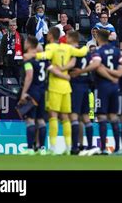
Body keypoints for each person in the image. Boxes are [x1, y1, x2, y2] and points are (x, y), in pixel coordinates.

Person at [24, 27, 88, 155]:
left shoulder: (51, 47)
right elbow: (83, 52)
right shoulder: (67, 47)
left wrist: (32, 54)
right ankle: (69, 147)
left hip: (54, 86)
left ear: (50, 36)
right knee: (65, 117)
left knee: (53, 116)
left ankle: (52, 147)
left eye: (48, 35)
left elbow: (45, 56)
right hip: (67, 86)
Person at [71, 29, 122, 155]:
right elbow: (121, 69)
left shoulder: (98, 52)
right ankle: (118, 147)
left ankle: (103, 148)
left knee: (102, 117)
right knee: (114, 117)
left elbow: (97, 65)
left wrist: (81, 71)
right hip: (115, 87)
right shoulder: (116, 51)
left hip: (102, 87)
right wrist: (114, 77)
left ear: (98, 38)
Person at [19, 36, 52, 155]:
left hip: (32, 91)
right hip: (43, 91)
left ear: (29, 44)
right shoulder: (44, 60)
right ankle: (42, 148)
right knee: (41, 120)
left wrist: (24, 93)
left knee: (30, 120)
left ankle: (29, 149)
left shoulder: (29, 60)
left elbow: (29, 76)